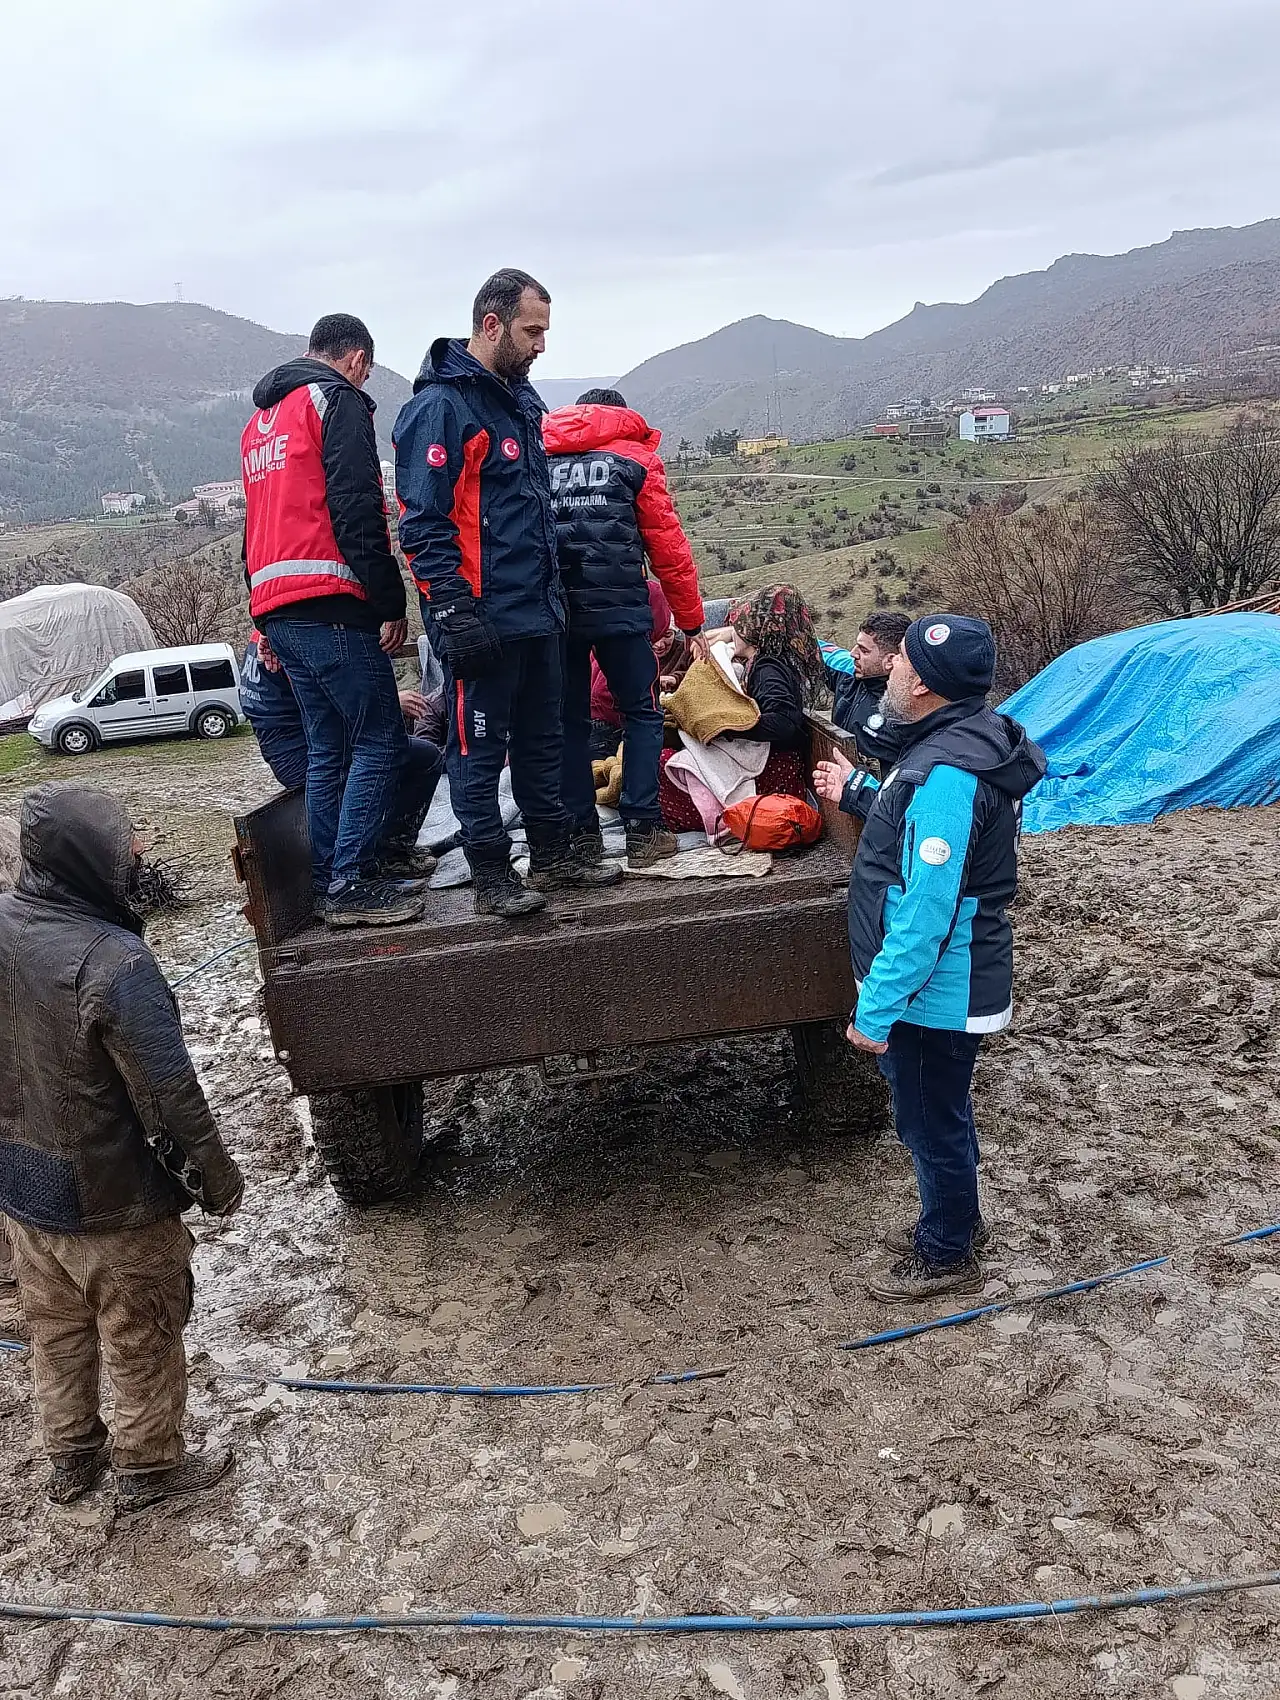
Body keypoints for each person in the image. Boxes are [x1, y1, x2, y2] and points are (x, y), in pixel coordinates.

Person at [0, 784, 245, 1509]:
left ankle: (71, 1457)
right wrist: (217, 1182)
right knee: (142, 1335)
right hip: (113, 1202)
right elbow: (170, 1099)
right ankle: (149, 1471)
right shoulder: (118, 964)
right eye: (123, 842)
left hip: (21, 1187)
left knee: (57, 1331)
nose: (138, 850)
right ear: (84, 859)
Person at [813, 615, 1045, 1303]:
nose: (893, 671)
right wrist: (857, 790)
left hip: (934, 991)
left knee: (928, 1119)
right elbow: (897, 819)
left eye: (904, 663)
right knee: (941, 1110)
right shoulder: (946, 746)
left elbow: (927, 913)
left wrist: (876, 1009)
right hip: (937, 983)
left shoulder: (948, 774)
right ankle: (958, 1221)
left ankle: (946, 1253)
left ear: (925, 685)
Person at [394, 270, 621, 918]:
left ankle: (552, 856)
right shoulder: (440, 409)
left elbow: (534, 513)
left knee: (543, 742)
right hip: (481, 619)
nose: (542, 345)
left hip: (537, 614)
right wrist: (453, 609)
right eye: (532, 331)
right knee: (477, 748)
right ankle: (492, 872)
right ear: (491, 325)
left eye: (546, 330)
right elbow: (423, 521)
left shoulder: (521, 402)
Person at [242, 313, 431, 930]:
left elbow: (254, 527)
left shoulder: (259, 423)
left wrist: (261, 617)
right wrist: (388, 602)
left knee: (328, 747)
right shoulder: (337, 401)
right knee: (378, 738)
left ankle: (332, 875)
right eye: (367, 371)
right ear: (357, 361)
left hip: (277, 608)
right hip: (330, 601)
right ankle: (350, 883)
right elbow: (357, 506)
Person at [543, 388, 708, 867]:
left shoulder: (540, 458)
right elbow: (668, 548)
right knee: (642, 713)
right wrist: (692, 622)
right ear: (621, 415)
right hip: (622, 613)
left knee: (567, 721)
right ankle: (643, 830)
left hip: (558, 614)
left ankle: (581, 835)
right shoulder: (634, 459)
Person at [239, 630, 443, 870]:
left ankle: (389, 850)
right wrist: (392, 700)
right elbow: (321, 702)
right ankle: (362, 865)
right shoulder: (305, 629)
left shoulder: (270, 625)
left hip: (290, 741)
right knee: (383, 757)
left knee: (423, 756)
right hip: (300, 749)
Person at [821, 610, 910, 761]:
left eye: (864, 650)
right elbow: (821, 651)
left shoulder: (911, 708)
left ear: (890, 660)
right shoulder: (849, 672)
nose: (853, 654)